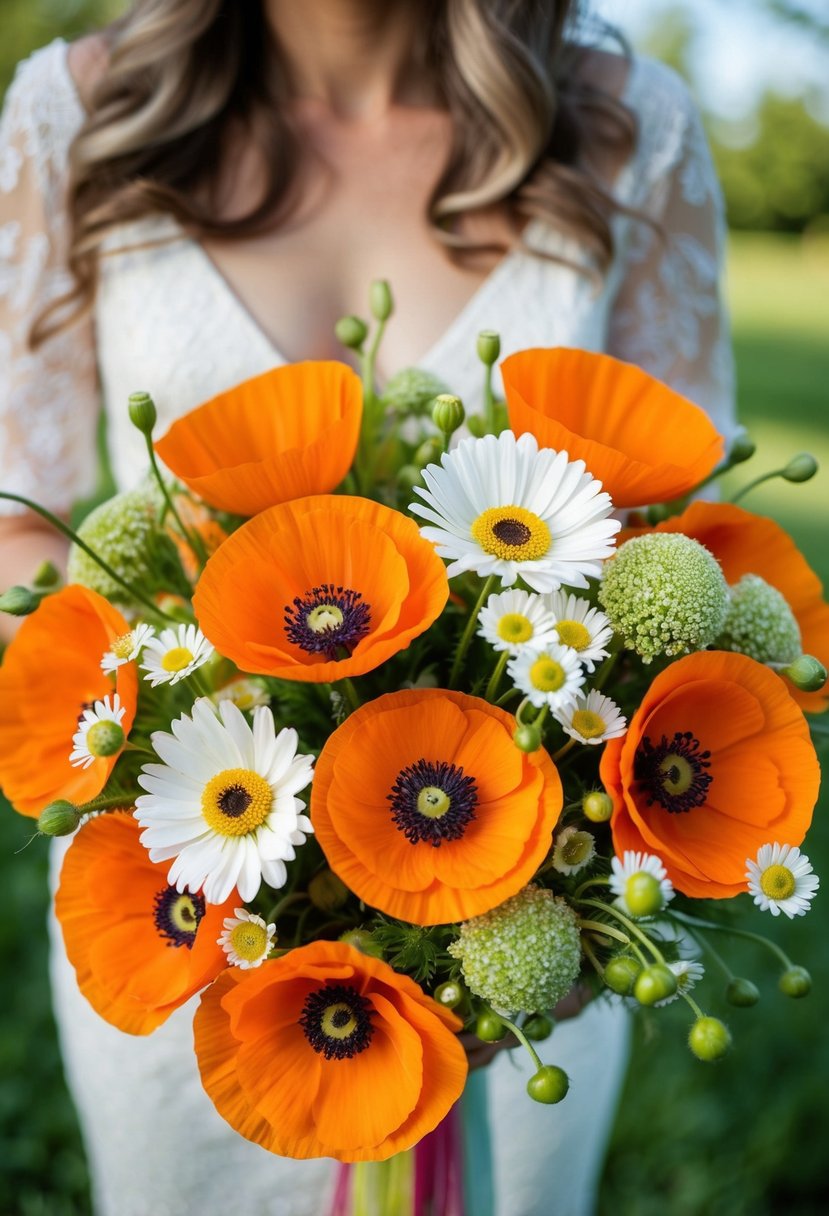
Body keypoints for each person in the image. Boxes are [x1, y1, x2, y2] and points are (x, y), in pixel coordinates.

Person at [0, 2, 737, 1213]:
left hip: (521, 900)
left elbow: (678, 526)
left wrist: (550, 898)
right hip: (187, 895)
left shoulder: (624, 123)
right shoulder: (80, 112)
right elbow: (15, 527)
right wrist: (188, 732)